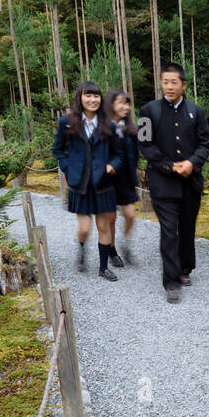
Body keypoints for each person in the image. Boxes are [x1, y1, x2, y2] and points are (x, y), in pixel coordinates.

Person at [138, 63, 209, 303]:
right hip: (162, 181)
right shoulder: (148, 110)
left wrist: (191, 162)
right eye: (165, 82)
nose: (169, 86)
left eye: (174, 82)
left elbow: (205, 144)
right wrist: (169, 166)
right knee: (169, 230)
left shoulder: (196, 112)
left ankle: (185, 269)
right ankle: (170, 281)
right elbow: (145, 145)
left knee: (187, 227)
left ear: (184, 85)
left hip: (191, 180)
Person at [52, 81, 124, 281]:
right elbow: (58, 150)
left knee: (104, 226)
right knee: (84, 228)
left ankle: (103, 267)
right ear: (80, 98)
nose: (93, 100)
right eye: (88, 96)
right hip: (79, 183)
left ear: (101, 99)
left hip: (103, 183)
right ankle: (82, 249)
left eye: (96, 96)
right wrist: (68, 167)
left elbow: (119, 154)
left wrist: (112, 166)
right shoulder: (67, 122)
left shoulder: (109, 124)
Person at [106, 87, 140, 267]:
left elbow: (135, 155)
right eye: (121, 103)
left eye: (127, 103)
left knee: (130, 215)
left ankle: (125, 244)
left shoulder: (131, 130)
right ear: (111, 105)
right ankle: (111, 251)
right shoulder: (102, 128)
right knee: (110, 217)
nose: (125, 107)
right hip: (108, 179)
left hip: (126, 180)